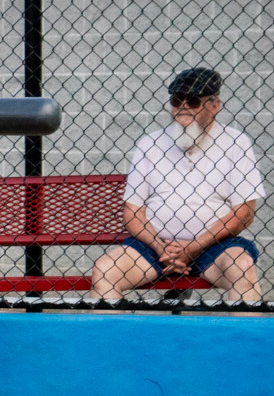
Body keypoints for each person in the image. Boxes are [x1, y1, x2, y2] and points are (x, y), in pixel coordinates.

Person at [89, 67, 264, 303]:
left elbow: (244, 213)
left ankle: (245, 340)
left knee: (242, 268)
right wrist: (162, 249)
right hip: (155, 248)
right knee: (105, 270)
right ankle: (115, 340)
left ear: (214, 106)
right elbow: (133, 212)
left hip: (214, 247)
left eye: (192, 101)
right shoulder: (150, 144)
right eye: (176, 100)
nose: (182, 106)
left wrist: (192, 247)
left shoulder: (235, 142)